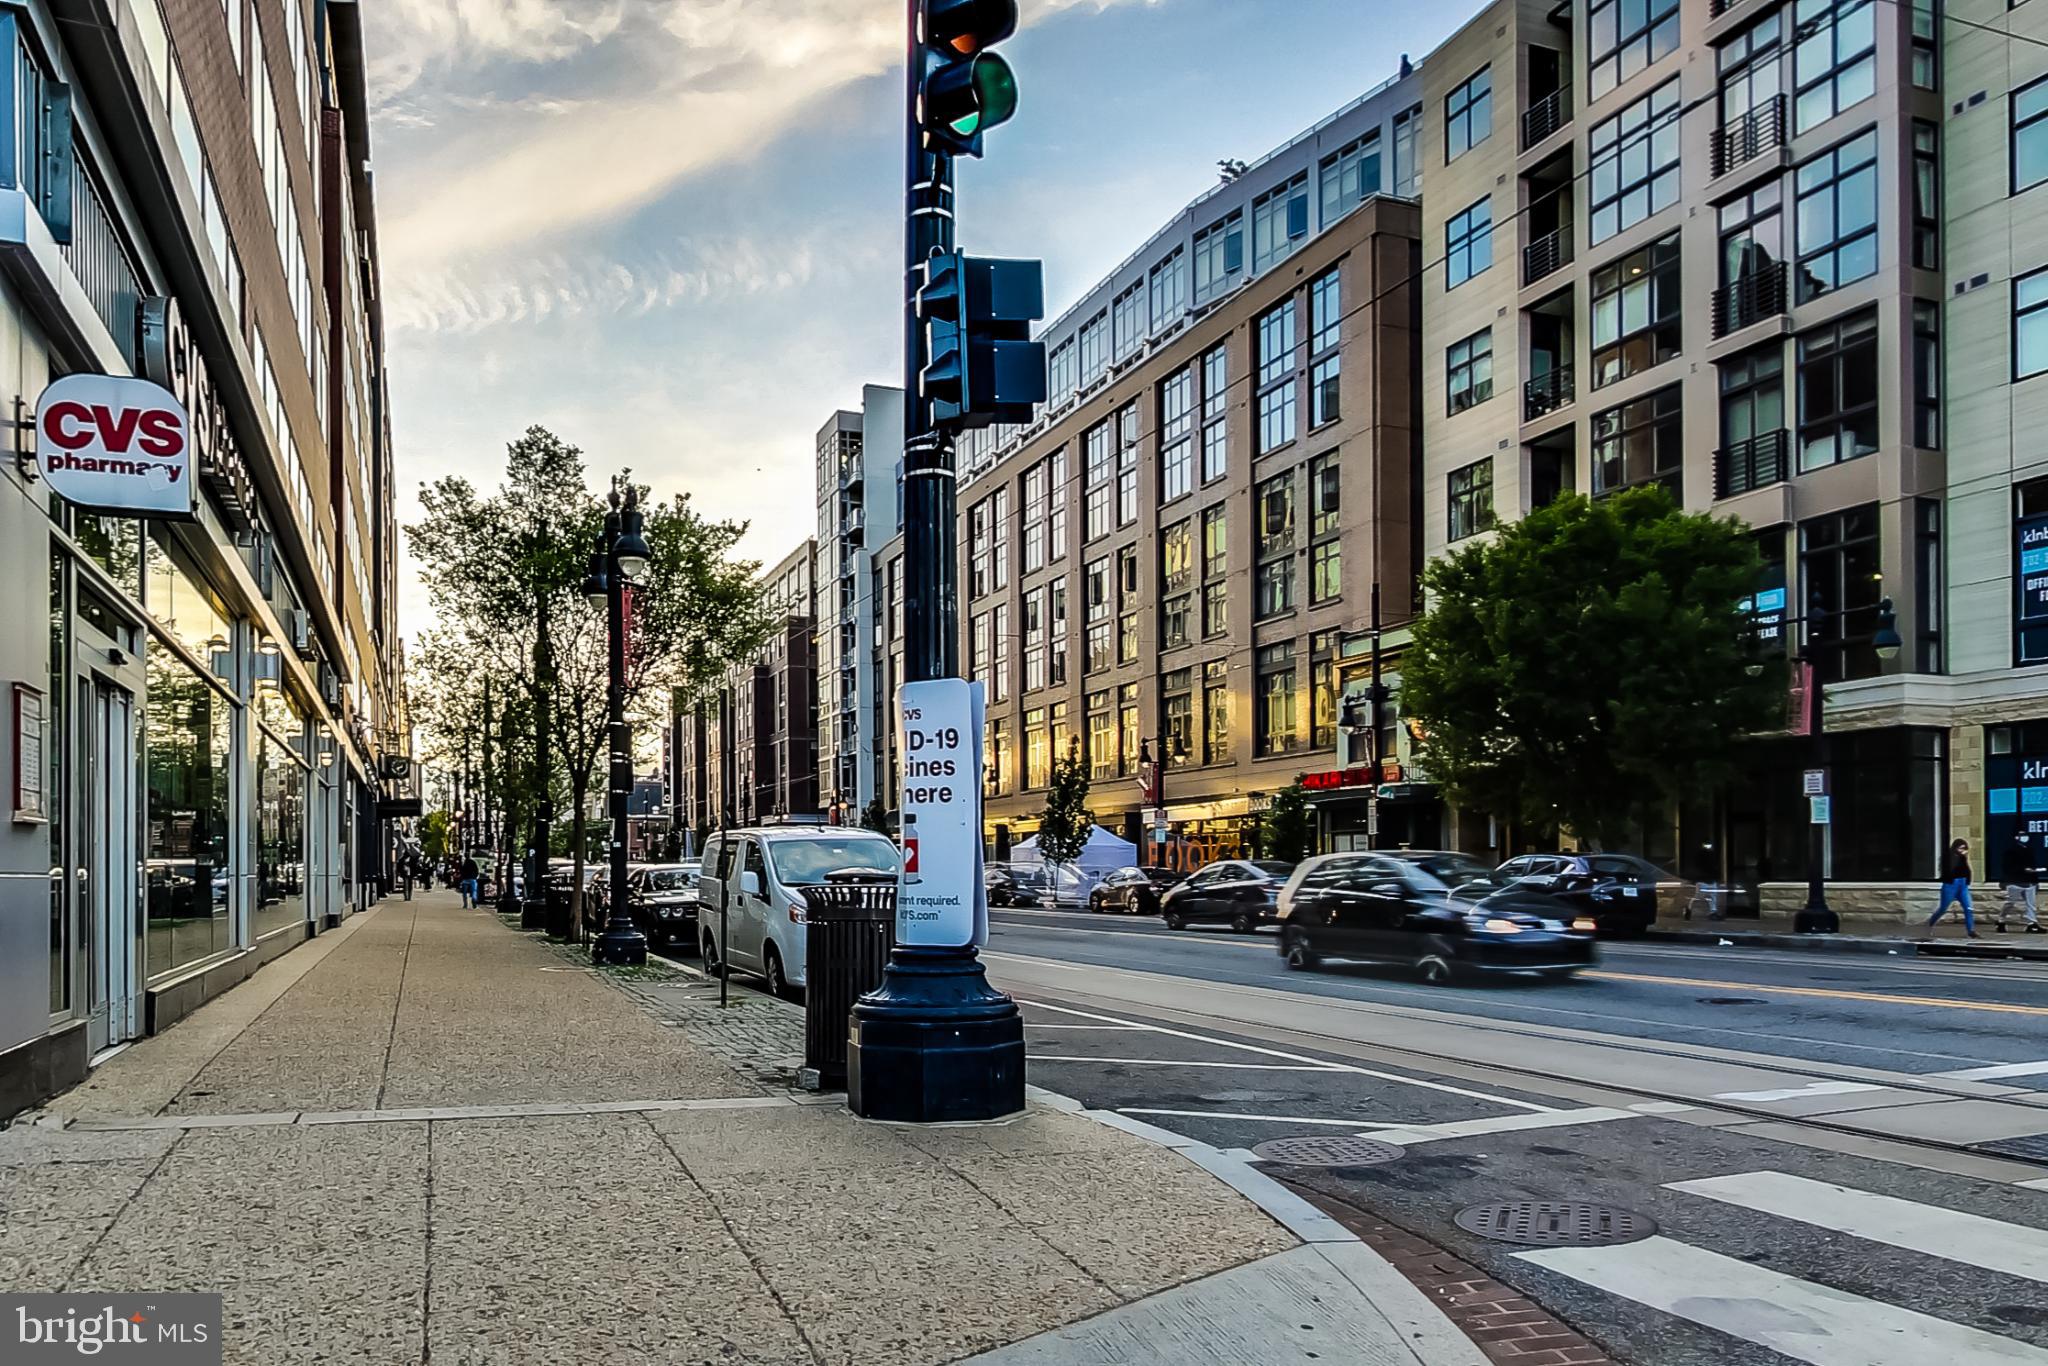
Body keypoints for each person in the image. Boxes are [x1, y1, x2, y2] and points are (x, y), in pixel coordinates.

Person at [1928, 838, 1976, 938]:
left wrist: (1968, 880)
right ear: (1955, 848)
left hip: (1962, 885)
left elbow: (1967, 870)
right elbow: (1950, 870)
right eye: (1960, 848)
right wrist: (1959, 858)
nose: (1963, 850)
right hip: (1951, 884)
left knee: (1969, 908)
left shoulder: (1963, 858)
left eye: (1964, 848)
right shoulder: (1949, 857)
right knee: (1943, 908)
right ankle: (1930, 924)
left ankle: (1971, 931)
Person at [2001, 831, 2044, 934]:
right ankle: (2001, 920)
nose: (2025, 838)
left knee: (2031, 904)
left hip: (2029, 881)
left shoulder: (2030, 850)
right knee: (2011, 902)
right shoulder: (2010, 851)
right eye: (2022, 836)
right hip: (2015, 881)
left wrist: (2035, 880)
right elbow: (2007, 867)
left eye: (2025, 836)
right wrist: (2023, 869)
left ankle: (2032, 923)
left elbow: (2033, 865)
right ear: (2016, 838)